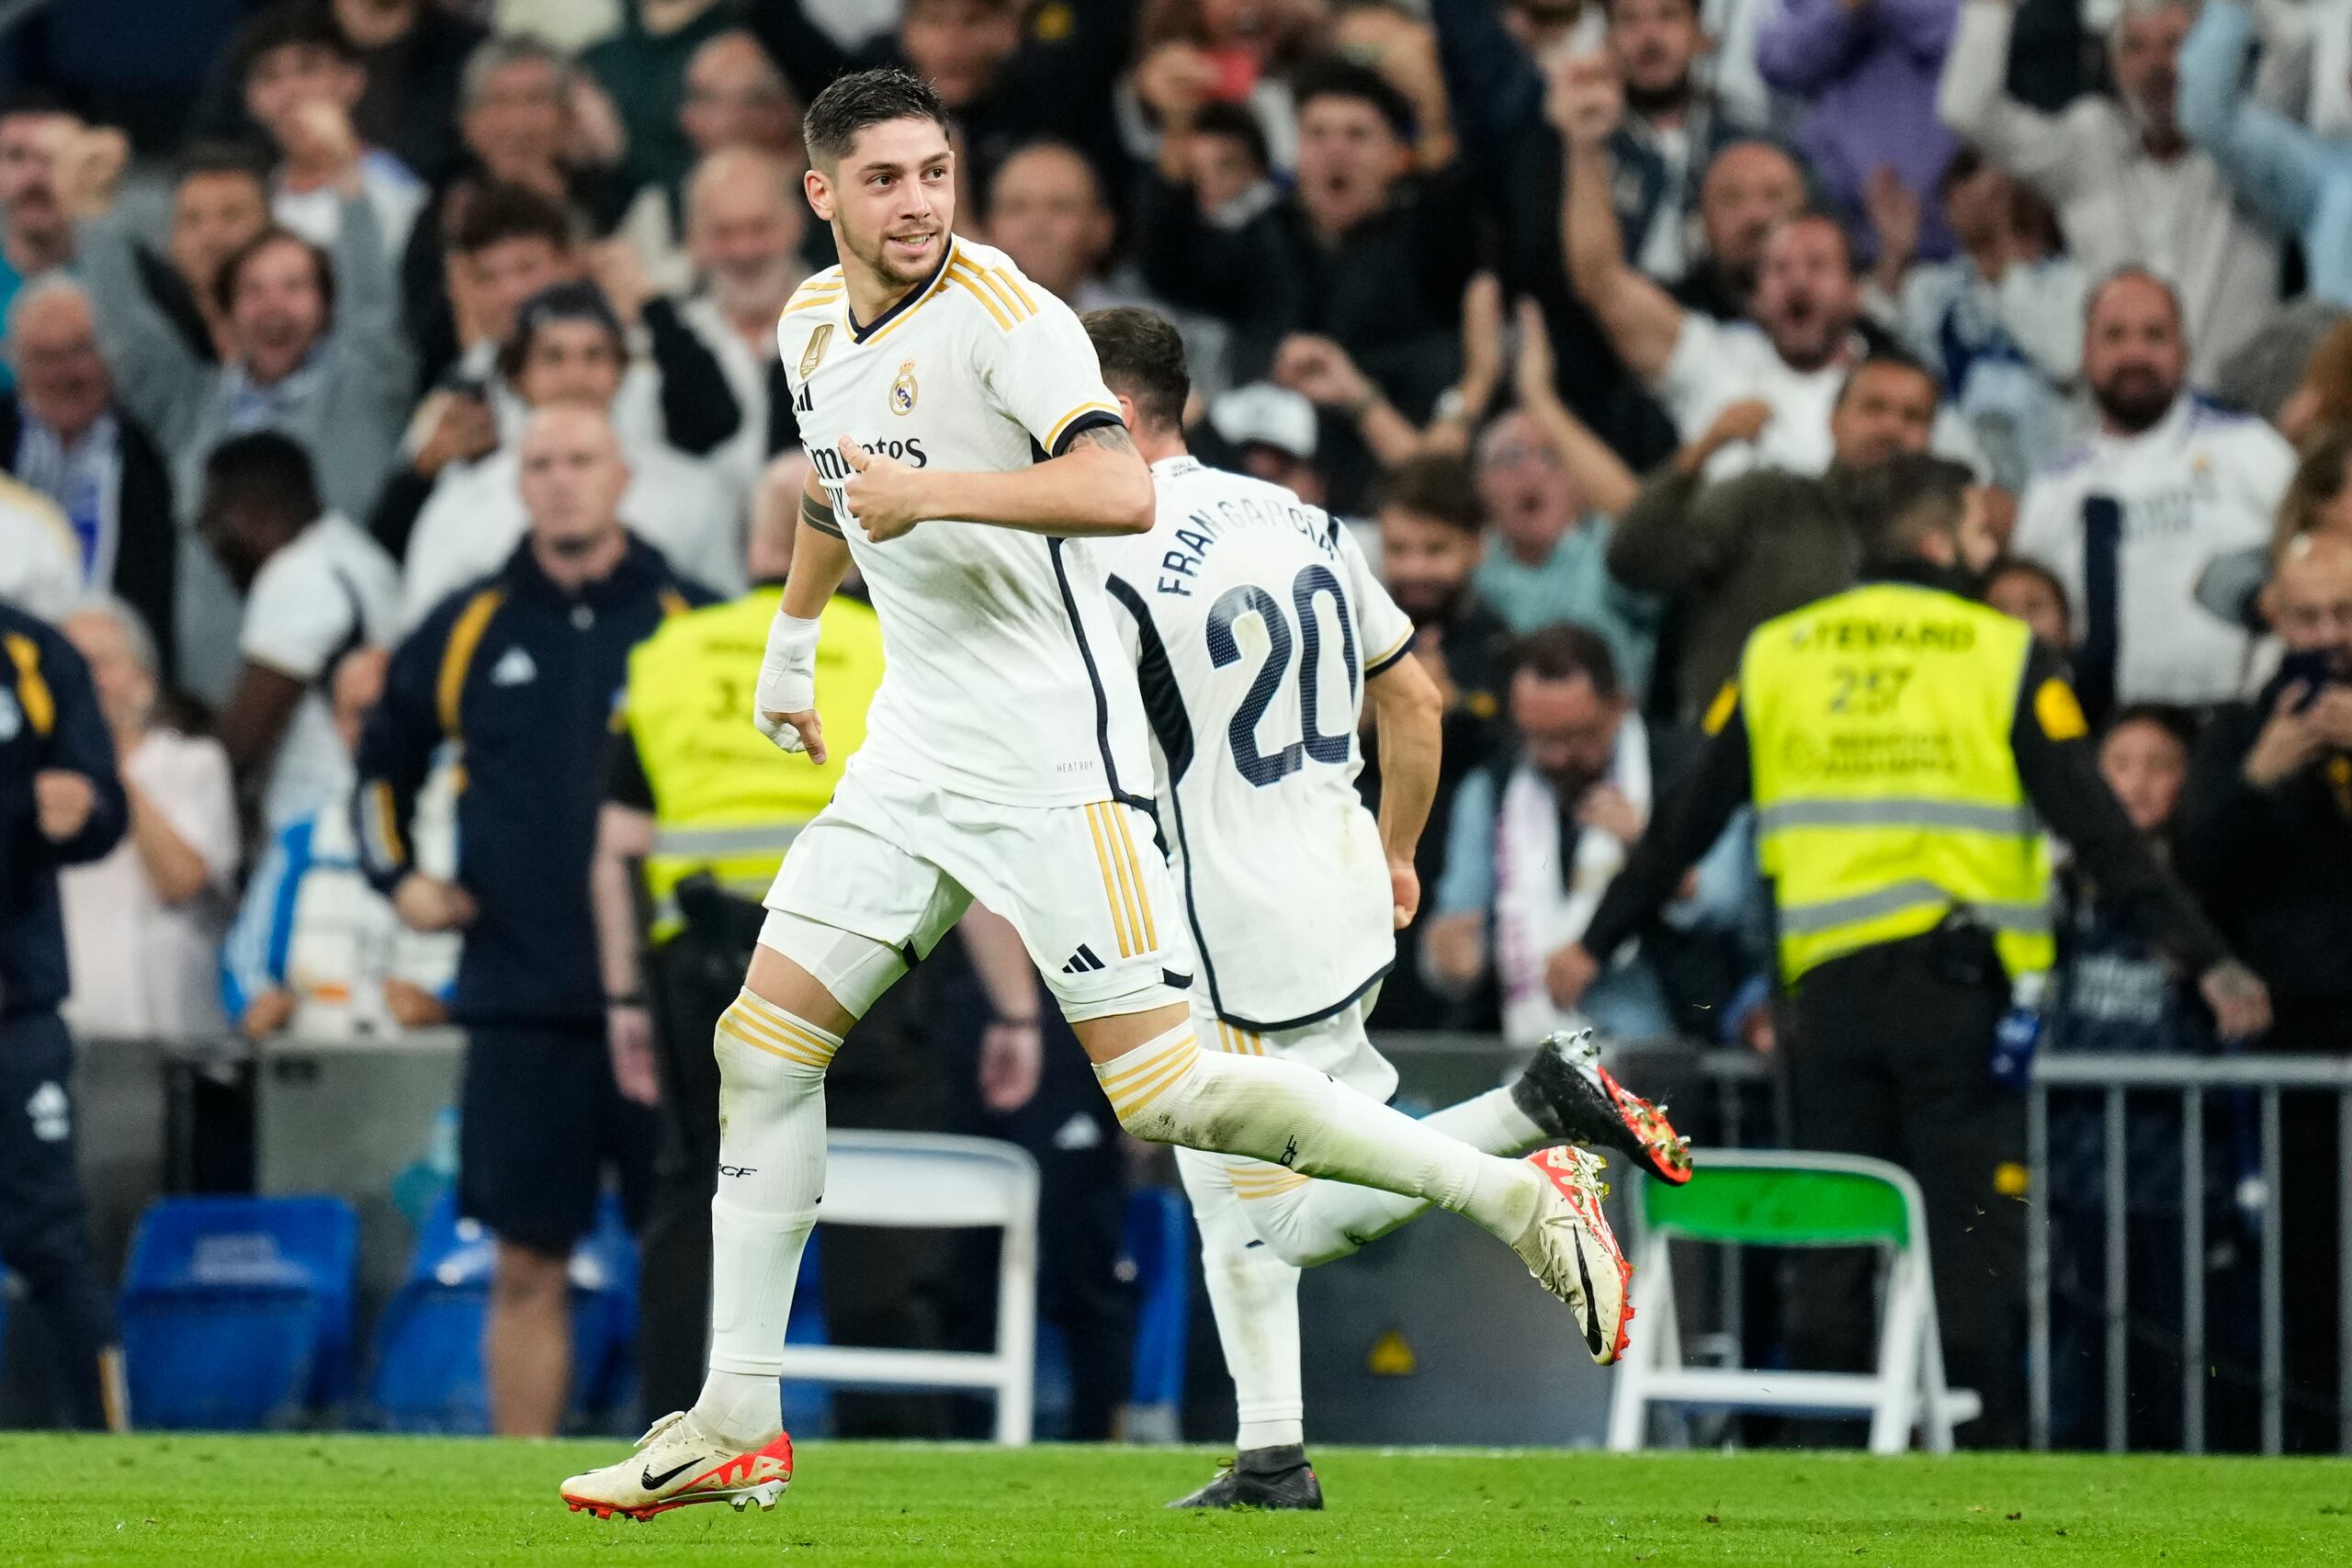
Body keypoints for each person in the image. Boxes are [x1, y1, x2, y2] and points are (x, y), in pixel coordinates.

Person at [560, 69, 1626, 1520]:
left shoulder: (1011, 320)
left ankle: (1515, 1187)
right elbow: (834, 482)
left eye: (935, 172)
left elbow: (1119, 489)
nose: (920, 201)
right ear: (823, 195)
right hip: (914, 754)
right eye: (884, 178)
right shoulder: (814, 324)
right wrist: (797, 642)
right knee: (760, 1043)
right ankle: (735, 1412)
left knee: (1170, 1095)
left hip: (1058, 761)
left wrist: (929, 495)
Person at [1082, 305, 1690, 1508]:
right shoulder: (1306, 518)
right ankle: (1272, 1454)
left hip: (1225, 906)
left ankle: (1534, 1114)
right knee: (1222, 1183)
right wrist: (1400, 849)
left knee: (1295, 1211)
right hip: (1340, 870)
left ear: (1101, 403)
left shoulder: (1109, 543)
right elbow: (1416, 703)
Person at [1551, 453, 2272, 1448]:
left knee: (1841, 1234)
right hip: (1956, 995)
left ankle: (1829, 1468)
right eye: (1978, 532)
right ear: (1941, 539)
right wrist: (2207, 960)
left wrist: (1592, 942)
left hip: (1826, 999)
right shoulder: (2001, 650)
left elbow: (1683, 821)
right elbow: (2099, 828)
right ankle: (1983, 1469)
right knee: (1971, 1241)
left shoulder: (1778, 652)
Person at [355, 402, 717, 1438]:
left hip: (669, 994)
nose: (560, 480)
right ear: (519, 483)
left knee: (681, 1257)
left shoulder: (691, 618)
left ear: (621, 477)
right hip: (517, 995)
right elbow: (380, 762)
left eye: (580, 460)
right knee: (525, 1262)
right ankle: (525, 1494)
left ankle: (684, 1471)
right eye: (541, 463)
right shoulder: (466, 623)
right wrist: (401, 878)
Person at [2177, 533, 2352, 1450]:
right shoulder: (2240, 732)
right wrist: (2256, 778)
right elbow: (2196, 874)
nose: (2325, 636)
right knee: (2308, 1273)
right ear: (2274, 621)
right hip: (2295, 1045)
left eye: (2343, 617)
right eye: (2306, 618)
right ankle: (2317, 1457)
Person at [1939, 0, 2278, 384]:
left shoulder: (2260, 154)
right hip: (2118, 411)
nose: (2157, 66)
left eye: (2176, 44)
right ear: (2109, 64)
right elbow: (1968, 111)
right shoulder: (2089, 149)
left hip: (2237, 416)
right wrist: (1993, 7)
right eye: (2134, 47)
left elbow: (2291, 43)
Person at [2010, 271, 2291, 720]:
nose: (2134, 353)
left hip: (2242, 724)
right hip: (2109, 736)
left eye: (2154, 334)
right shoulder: (2053, 486)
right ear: (2085, 351)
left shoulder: (2250, 446)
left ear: (2184, 349)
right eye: (2114, 335)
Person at [1609, 352, 1945, 719]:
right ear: (1834, 419)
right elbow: (1634, 558)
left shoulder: (1946, 538)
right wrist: (1702, 450)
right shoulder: (1766, 501)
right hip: (1738, 751)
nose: (1891, 429)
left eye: (1914, 417)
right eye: (1873, 409)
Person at [399, 280, 744, 622]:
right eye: (553, 357)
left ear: (621, 371)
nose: (575, 376)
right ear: (517, 376)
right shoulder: (462, 504)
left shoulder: (691, 492)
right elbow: (430, 638)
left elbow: (726, 625)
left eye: (594, 356)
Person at [0, 595, 130, 1429]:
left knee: (51, 1243)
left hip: (15, 1010)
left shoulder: (33, 654)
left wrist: (82, 810)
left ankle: (116, 1449)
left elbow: (103, 804)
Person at [221, 645, 458, 1043]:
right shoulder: (302, 840)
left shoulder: (471, 832)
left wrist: (446, 1005)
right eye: (358, 714)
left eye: (390, 709)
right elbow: (247, 962)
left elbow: (510, 960)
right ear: (336, 722)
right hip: (324, 1065)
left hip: (437, 1065)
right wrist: (256, 1005)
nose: (374, 728)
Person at [56, 598, 238, 1044]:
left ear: (144, 682)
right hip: (63, 1037)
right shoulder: (33, 782)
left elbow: (182, 880)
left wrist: (106, 766)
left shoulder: (193, 764)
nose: (86, 681)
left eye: (101, 663)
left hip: (172, 1041)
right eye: (69, 666)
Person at [199, 432, 399, 833]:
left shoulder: (298, 572)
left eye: (211, 519)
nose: (211, 542)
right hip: (368, 810)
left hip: (324, 829)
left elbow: (240, 747)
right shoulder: (358, 554)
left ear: (249, 513)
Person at [1874, 149, 2086, 494]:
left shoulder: (2071, 280)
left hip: (2057, 473)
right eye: (1963, 179)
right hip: (1963, 482)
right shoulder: (1931, 288)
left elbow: (2065, 359)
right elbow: (1880, 347)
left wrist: (2006, 250)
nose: (1981, 195)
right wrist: (1895, 256)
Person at [2, 278, 179, 676]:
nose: (66, 373)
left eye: (80, 351)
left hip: (123, 668)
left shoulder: (152, 448)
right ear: (12, 359)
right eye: (45, 357)